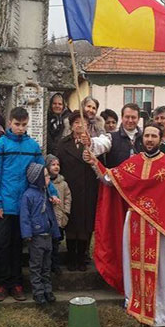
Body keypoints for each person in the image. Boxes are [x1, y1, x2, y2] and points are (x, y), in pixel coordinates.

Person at [87, 122, 165, 327]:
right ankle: (139, 306)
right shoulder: (133, 163)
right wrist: (94, 162)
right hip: (136, 223)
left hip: (161, 228)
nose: (149, 139)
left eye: (154, 136)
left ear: (161, 139)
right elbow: (111, 179)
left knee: (164, 269)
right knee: (134, 265)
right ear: (142, 138)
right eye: (146, 135)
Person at [0, 107, 59, 302]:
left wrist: (52, 192)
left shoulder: (33, 147)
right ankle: (2, 284)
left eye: (23, 125)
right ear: (10, 122)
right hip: (4, 204)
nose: (20, 128)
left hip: (26, 206)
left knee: (19, 246)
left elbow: (42, 175)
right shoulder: (0, 145)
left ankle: (17, 283)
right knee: (2, 245)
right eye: (17, 124)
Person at [56, 111, 99, 272]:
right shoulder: (63, 143)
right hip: (70, 188)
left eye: (83, 123)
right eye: (76, 123)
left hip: (87, 189)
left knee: (85, 225)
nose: (80, 126)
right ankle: (71, 256)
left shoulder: (92, 143)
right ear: (71, 125)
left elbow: (99, 163)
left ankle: (82, 256)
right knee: (71, 225)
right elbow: (58, 164)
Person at [20, 163, 61, 304]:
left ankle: (47, 290)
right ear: (37, 179)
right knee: (36, 266)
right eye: (45, 176)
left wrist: (55, 232)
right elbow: (25, 217)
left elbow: (51, 216)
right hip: (36, 237)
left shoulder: (46, 193)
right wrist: (27, 234)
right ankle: (38, 292)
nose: (48, 178)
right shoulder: (28, 196)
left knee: (46, 266)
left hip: (48, 235)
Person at [88, 103, 143, 168]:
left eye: (133, 117)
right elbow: (101, 143)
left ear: (138, 119)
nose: (130, 120)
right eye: (127, 117)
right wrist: (90, 141)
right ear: (122, 118)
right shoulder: (111, 137)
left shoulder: (145, 138)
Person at [45, 154, 71, 275]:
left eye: (58, 165)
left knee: (56, 243)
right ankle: (46, 265)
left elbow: (67, 198)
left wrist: (66, 211)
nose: (56, 167)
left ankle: (55, 265)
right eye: (53, 165)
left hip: (59, 217)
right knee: (47, 244)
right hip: (47, 219)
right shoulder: (44, 182)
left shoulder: (63, 183)